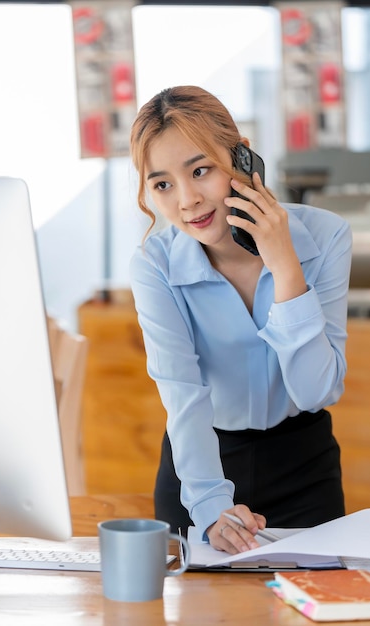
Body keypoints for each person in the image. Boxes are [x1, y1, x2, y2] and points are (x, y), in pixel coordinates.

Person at [128, 85, 352, 555]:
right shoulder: (155, 263)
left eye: (201, 170)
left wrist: (285, 265)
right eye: (162, 184)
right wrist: (211, 507)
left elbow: (316, 391)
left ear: (243, 158)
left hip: (303, 469)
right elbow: (183, 396)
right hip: (200, 468)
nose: (187, 199)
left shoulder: (326, 235)